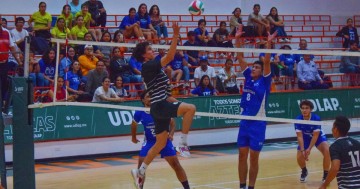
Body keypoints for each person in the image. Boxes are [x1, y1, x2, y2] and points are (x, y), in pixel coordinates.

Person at [131, 22, 196, 188]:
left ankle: (141, 170)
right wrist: (175, 35)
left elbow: (162, 91)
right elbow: (170, 57)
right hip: (159, 106)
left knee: (160, 143)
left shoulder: (151, 67)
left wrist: (172, 99)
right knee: (191, 109)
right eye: (150, 50)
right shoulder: (148, 65)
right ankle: (183, 144)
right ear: (145, 56)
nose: (152, 51)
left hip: (159, 106)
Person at [235, 26, 277, 189]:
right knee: (241, 156)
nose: (254, 68)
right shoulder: (248, 77)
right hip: (245, 122)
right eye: (253, 67)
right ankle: (242, 186)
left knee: (253, 158)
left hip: (258, 123)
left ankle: (251, 187)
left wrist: (268, 44)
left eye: (256, 67)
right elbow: (239, 56)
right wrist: (238, 39)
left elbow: (266, 61)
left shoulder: (265, 81)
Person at [131, 91, 190, 189]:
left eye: (152, 96)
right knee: (141, 165)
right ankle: (140, 186)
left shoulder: (160, 109)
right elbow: (133, 124)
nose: (151, 98)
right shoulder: (139, 113)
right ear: (143, 100)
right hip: (150, 141)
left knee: (176, 164)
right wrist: (133, 137)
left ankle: (187, 187)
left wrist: (171, 134)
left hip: (164, 141)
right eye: (148, 96)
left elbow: (172, 123)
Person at [319, 116, 360, 189]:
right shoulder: (357, 143)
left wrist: (324, 184)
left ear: (335, 129)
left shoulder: (335, 147)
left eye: (333, 127)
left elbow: (335, 168)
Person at [295, 100, 330, 183]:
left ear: (311, 110)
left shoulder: (316, 118)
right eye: (302, 108)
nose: (304, 110)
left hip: (317, 136)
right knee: (299, 156)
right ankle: (304, 171)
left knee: (327, 151)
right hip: (305, 137)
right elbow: (299, 136)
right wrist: (303, 150)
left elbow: (315, 135)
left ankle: (326, 174)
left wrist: (309, 149)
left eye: (306, 108)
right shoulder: (298, 119)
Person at [0, 15, 23, 113]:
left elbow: (12, 47)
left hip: (4, 64)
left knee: (3, 85)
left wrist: (19, 61)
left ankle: (2, 107)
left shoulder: (6, 32)